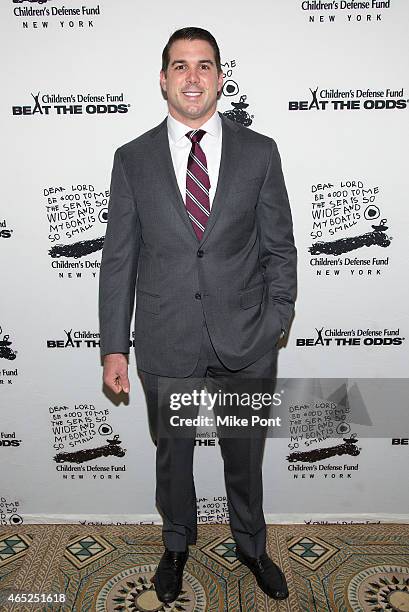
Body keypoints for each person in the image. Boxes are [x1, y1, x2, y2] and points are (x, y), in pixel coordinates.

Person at [99, 26, 297, 604]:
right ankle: (177, 544)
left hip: (246, 340)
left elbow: (279, 247)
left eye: (204, 66)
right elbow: (119, 259)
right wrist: (115, 345)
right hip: (167, 340)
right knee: (173, 460)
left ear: (219, 77)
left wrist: (276, 319)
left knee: (246, 458)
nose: (192, 77)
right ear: (163, 79)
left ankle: (252, 546)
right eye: (180, 66)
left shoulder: (260, 152)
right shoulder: (132, 158)